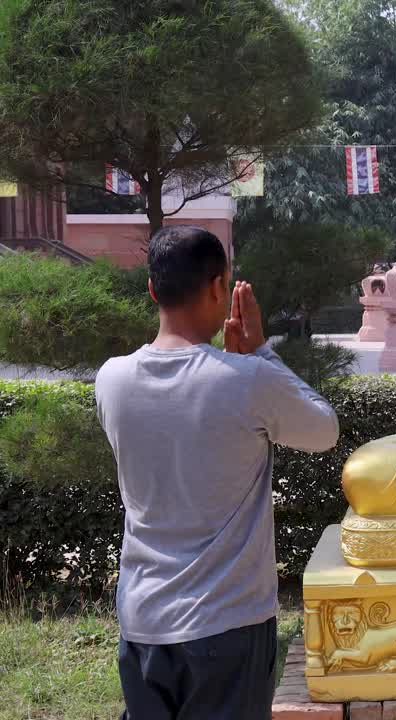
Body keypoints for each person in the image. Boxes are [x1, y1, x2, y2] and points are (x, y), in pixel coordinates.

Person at [95, 225, 340, 719]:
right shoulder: (245, 380)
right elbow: (325, 429)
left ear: (152, 289)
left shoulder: (111, 379)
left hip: (143, 622)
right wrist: (261, 354)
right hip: (227, 622)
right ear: (216, 287)